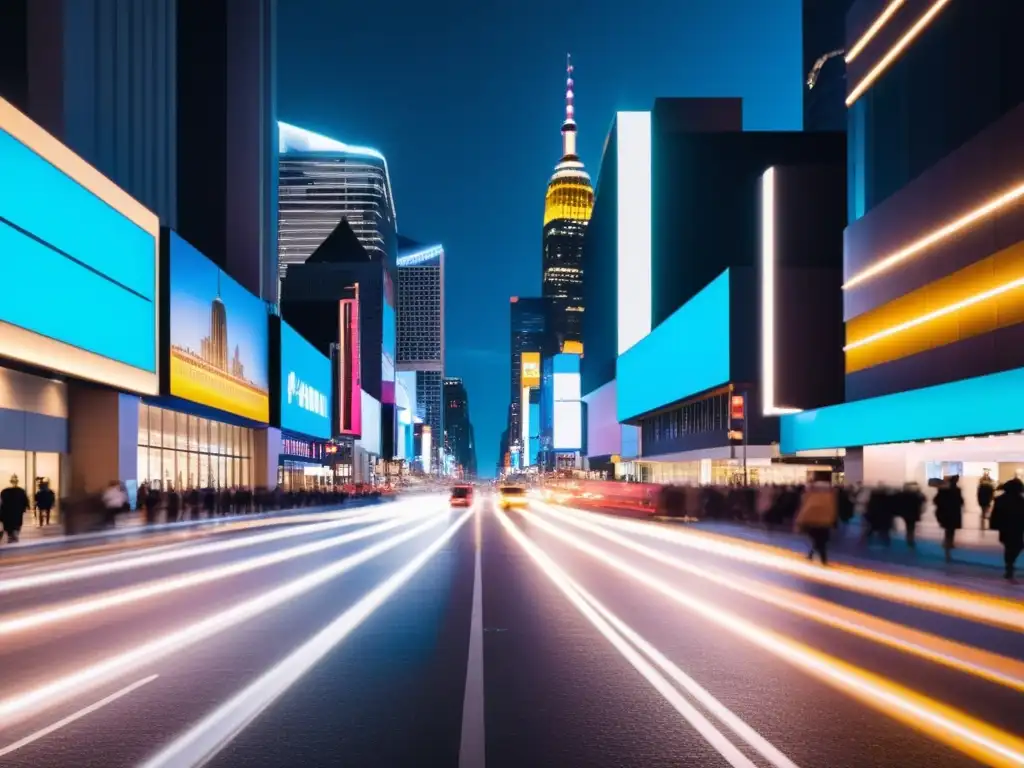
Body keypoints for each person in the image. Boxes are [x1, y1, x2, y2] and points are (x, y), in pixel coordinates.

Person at [990, 478, 1024, 583]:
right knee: (1016, 546)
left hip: (1005, 528)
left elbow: (995, 515)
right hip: (1017, 528)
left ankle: (1009, 568)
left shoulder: (1000, 499)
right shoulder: (1020, 500)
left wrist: (994, 525)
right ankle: (1009, 567)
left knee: (1009, 547)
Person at [795, 482, 838, 565]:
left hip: (811, 518)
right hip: (825, 519)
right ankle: (821, 558)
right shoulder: (831, 492)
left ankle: (815, 556)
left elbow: (804, 504)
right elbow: (833, 507)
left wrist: (800, 519)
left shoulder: (811, 490)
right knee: (821, 539)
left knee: (818, 539)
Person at [934, 475, 964, 562]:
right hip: (954, 512)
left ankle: (948, 543)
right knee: (951, 529)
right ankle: (949, 543)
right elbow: (960, 501)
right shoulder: (957, 490)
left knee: (948, 529)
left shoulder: (943, 489)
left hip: (945, 512)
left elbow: (937, 500)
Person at [1, 475, 30, 543]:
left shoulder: (5, 491)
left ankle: (11, 535)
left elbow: (2, 501)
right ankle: (14, 534)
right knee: (16, 523)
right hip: (17, 511)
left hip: (7, 511)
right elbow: (25, 500)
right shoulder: (21, 491)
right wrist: (25, 507)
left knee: (8, 524)